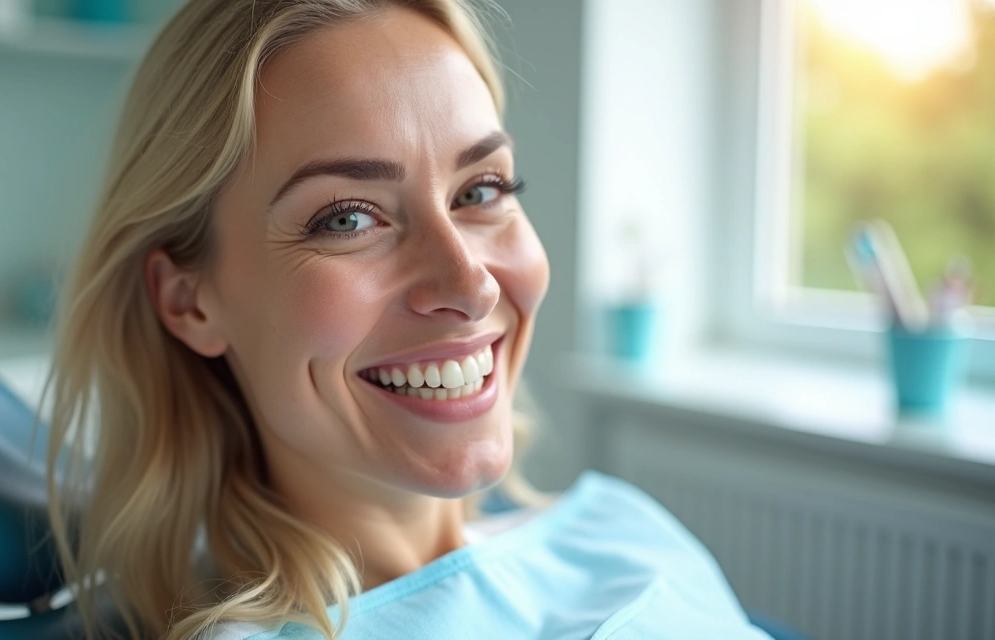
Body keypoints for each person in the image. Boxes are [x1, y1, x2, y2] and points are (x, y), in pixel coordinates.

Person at [44, 1, 772, 639]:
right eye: (348, 217)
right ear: (189, 301)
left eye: (482, 188)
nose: (471, 284)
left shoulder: (620, 529)